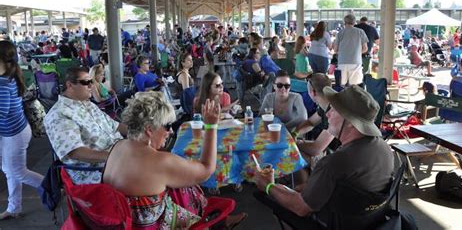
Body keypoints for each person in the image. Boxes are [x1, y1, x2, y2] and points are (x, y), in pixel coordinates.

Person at [102, 92, 246, 228]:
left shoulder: (118, 146)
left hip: (123, 221)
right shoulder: (161, 162)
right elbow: (207, 169)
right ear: (149, 129)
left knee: (181, 181)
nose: (171, 131)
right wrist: (211, 126)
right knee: (188, 183)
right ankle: (211, 223)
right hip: (151, 225)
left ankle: (217, 222)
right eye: (167, 126)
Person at [255, 85, 394, 225]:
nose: (327, 114)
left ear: (351, 123)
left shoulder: (334, 162)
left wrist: (268, 185)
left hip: (330, 222)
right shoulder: (385, 149)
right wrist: (315, 187)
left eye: (333, 110)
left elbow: (301, 208)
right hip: (368, 221)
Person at [44, 67, 127, 184]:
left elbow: (115, 126)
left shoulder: (89, 104)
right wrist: (113, 157)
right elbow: (75, 152)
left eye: (91, 82)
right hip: (93, 170)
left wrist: (142, 131)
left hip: (117, 154)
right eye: (86, 82)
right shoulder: (59, 114)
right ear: (70, 85)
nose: (91, 86)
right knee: (148, 174)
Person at [0, 41, 44, 220]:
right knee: (10, 170)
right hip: (12, 133)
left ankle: (54, 186)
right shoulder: (8, 77)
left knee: (17, 171)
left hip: (14, 135)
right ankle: (14, 207)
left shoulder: (3, 84)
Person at [333, 14, 368, 86]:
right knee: (355, 86)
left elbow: (335, 49)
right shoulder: (360, 32)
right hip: (356, 61)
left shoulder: (340, 33)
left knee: (342, 86)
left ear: (344, 22)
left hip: (342, 61)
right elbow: (365, 48)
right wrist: (357, 53)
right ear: (354, 22)